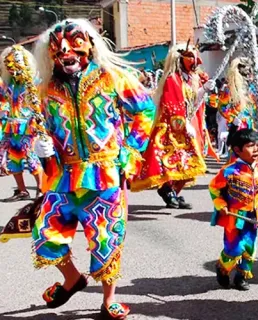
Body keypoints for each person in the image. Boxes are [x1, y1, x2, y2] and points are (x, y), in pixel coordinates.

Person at [32, 19, 155, 319]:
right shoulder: (45, 90)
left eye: (75, 41)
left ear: (90, 44)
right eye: (58, 45)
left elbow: (145, 111)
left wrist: (129, 154)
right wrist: (41, 145)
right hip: (63, 175)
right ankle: (72, 279)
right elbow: (40, 126)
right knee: (46, 234)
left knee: (106, 236)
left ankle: (108, 298)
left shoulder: (112, 78)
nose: (65, 49)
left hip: (106, 173)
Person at [131, 43, 212, 209]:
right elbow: (172, 106)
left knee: (189, 162)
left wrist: (204, 90)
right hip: (172, 128)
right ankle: (168, 189)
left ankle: (172, 190)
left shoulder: (189, 79)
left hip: (186, 124)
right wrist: (182, 124)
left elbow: (192, 102)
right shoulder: (172, 79)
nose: (194, 60)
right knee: (175, 160)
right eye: (189, 56)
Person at [209, 129, 258, 291]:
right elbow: (214, 188)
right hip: (235, 217)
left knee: (249, 247)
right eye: (250, 146)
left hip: (253, 216)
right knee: (234, 248)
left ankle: (241, 276)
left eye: (257, 145)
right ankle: (222, 268)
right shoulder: (229, 171)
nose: (255, 149)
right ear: (237, 150)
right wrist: (221, 205)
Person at [0, 45, 43, 201]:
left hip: (29, 128)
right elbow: (2, 101)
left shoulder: (35, 82)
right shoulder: (7, 84)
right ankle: (22, 190)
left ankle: (41, 189)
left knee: (32, 159)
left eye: (15, 65)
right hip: (10, 127)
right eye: (9, 66)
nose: (12, 69)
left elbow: (41, 103)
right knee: (13, 159)